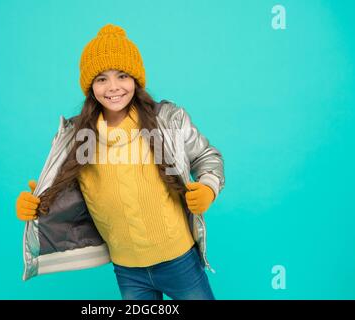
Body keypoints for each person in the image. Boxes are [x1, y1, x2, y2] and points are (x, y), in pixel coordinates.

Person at [16, 24, 225, 300]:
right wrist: (35, 206)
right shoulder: (76, 138)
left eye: (122, 76)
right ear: (90, 86)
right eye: (101, 79)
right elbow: (62, 195)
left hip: (179, 261)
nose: (113, 87)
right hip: (128, 269)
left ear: (135, 80)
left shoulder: (166, 121)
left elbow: (208, 157)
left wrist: (208, 188)